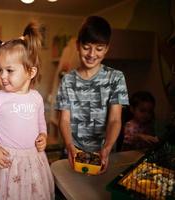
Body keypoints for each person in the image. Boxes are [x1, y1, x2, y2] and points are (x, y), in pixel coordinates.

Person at [0, 21, 55, 200]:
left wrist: (44, 136)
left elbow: (40, 123)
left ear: (30, 72)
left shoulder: (36, 98)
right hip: (3, 161)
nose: (2, 76)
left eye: (9, 70)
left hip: (32, 161)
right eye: (0, 70)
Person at [55, 16, 129, 174]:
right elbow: (64, 119)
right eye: (86, 47)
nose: (92, 54)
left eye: (99, 48)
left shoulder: (116, 78)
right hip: (72, 151)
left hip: (103, 154)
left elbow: (115, 119)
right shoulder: (67, 80)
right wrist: (70, 147)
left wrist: (107, 148)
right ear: (78, 45)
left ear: (107, 48)